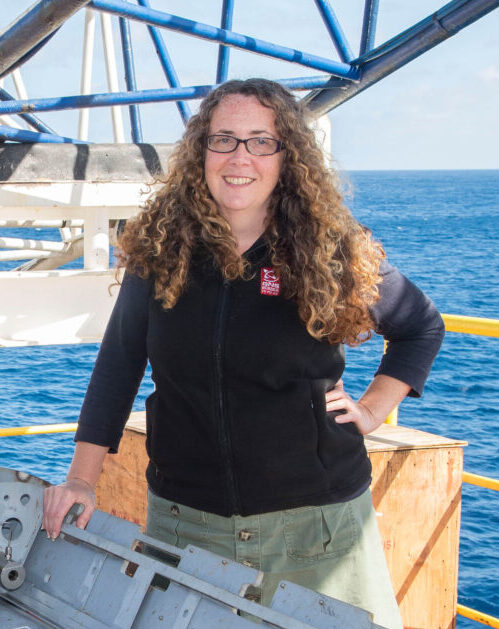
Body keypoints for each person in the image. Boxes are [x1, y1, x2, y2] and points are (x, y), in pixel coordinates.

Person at [43, 78, 444, 629]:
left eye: (261, 141)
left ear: (287, 158)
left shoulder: (330, 247)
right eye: (224, 139)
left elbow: (420, 326)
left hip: (317, 527)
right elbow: (119, 363)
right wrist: (82, 479)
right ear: (200, 151)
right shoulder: (161, 250)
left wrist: (374, 408)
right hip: (187, 526)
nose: (240, 157)